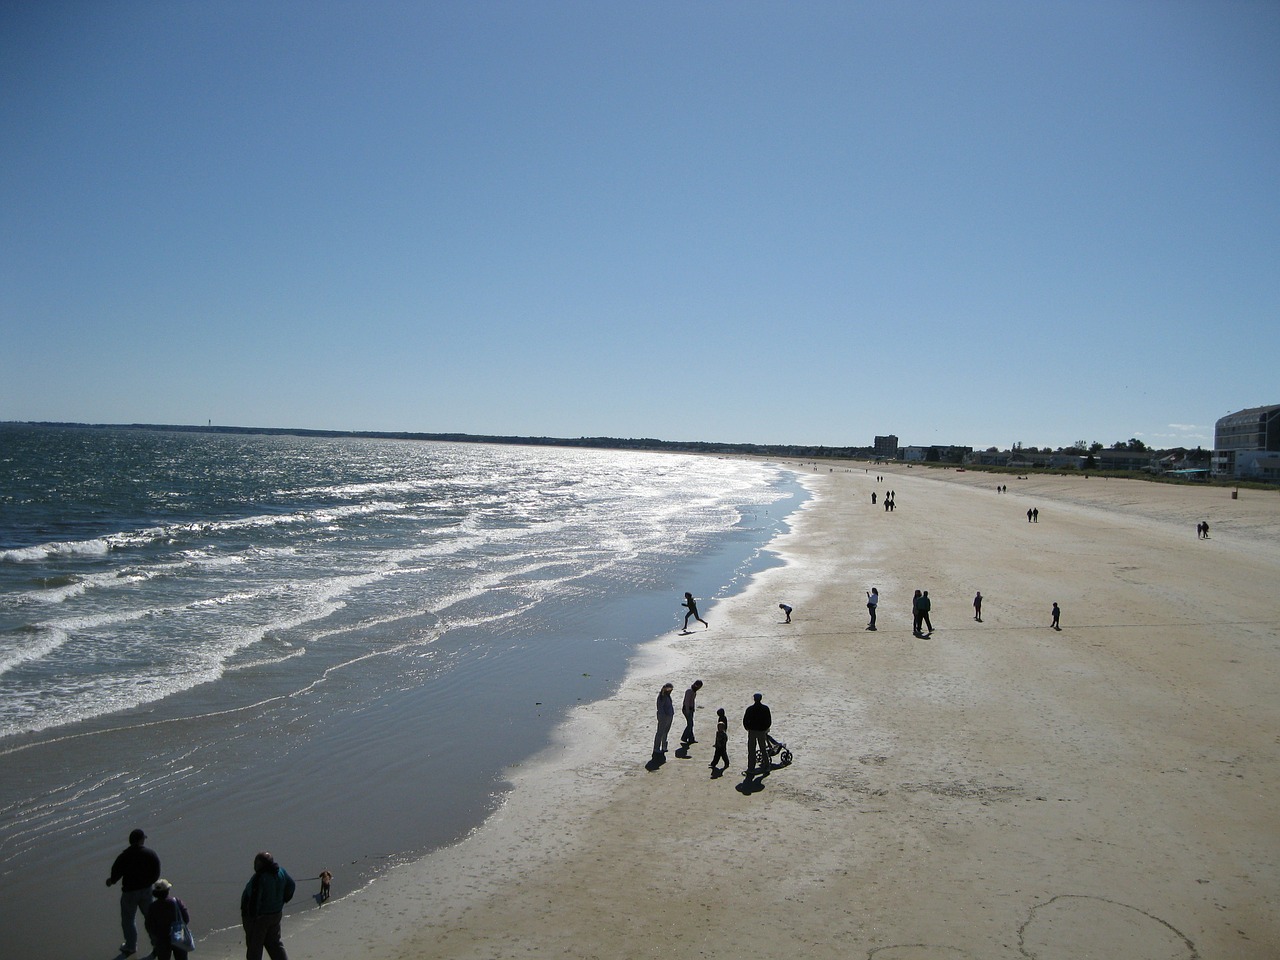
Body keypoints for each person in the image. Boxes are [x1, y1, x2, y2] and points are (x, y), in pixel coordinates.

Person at [106, 827, 161, 956]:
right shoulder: (150, 854)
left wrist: (111, 881)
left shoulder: (124, 856)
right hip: (146, 891)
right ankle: (157, 943)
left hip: (129, 893)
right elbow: (156, 872)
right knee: (149, 918)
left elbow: (116, 872)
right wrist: (150, 882)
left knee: (128, 920)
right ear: (141, 840)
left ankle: (130, 946)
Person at [241, 851, 296, 960]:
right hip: (276, 914)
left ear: (260, 865)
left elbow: (254, 899)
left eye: (256, 863)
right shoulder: (281, 872)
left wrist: (253, 917)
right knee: (275, 944)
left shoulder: (260, 878)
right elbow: (291, 885)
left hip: (260, 918)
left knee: (254, 948)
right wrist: (283, 900)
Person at [145, 879, 191, 960]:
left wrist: (155, 936)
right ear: (168, 890)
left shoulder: (153, 906)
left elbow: (149, 925)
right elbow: (186, 919)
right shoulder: (177, 902)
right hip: (178, 934)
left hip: (161, 938)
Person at [742, 693, 772, 775]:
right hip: (761, 731)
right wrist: (765, 729)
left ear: (754, 699)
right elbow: (769, 721)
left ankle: (751, 767)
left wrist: (747, 728)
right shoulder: (765, 708)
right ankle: (766, 766)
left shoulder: (750, 709)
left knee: (751, 750)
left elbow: (745, 720)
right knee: (763, 749)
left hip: (752, 731)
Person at [653, 683, 675, 757]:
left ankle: (664, 746)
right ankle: (656, 748)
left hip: (669, 715)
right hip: (664, 717)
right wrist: (663, 716)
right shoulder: (662, 696)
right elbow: (660, 707)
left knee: (665, 732)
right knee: (660, 732)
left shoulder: (667, 696)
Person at [680, 679, 703, 744]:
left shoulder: (693, 691)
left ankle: (691, 738)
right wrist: (687, 710)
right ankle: (684, 737)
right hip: (687, 709)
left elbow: (692, 701)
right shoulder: (689, 691)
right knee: (690, 724)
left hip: (690, 709)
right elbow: (686, 702)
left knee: (690, 724)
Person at [709, 708, 730, 772]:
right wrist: (716, 744)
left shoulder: (723, 734)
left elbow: (725, 740)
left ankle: (727, 763)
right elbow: (716, 738)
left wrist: (722, 745)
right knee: (716, 756)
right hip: (718, 746)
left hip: (722, 747)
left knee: (724, 755)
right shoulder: (718, 733)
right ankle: (713, 764)